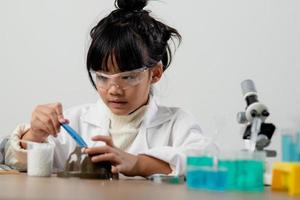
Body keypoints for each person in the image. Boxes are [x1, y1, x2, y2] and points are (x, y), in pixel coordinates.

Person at [5, 0, 210, 177]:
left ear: (155, 74)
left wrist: (138, 164)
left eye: (127, 77)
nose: (113, 90)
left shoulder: (176, 123)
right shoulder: (75, 122)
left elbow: (206, 162)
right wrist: (34, 135)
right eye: (102, 77)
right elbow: (16, 163)